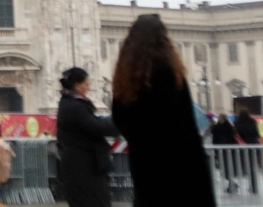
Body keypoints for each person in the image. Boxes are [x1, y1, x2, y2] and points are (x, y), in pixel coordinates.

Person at [111, 14, 215, 207]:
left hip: (145, 163)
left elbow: (119, 118)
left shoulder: (126, 80)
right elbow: (186, 122)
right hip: (181, 162)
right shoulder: (171, 74)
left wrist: (140, 139)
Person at [56, 67, 120, 207]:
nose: (89, 86)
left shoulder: (68, 103)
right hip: (84, 167)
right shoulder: (75, 106)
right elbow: (96, 127)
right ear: (77, 85)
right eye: (86, 83)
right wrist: (118, 123)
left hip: (81, 166)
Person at [234, 108, 261, 194]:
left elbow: (236, 135)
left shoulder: (237, 123)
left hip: (243, 146)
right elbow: (257, 134)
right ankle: (254, 186)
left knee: (245, 166)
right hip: (254, 145)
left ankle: (239, 183)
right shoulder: (252, 121)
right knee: (253, 166)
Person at [211, 113, 239, 193]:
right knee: (226, 169)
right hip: (227, 150)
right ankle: (232, 184)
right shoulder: (229, 127)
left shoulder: (218, 127)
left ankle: (232, 185)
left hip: (222, 151)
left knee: (225, 169)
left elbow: (215, 139)